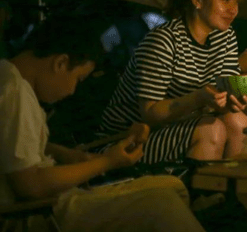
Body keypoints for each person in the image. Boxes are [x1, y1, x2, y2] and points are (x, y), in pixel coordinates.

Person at [0, 16, 206, 232]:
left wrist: (67, 155)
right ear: (60, 63)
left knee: (173, 186)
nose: (72, 91)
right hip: (32, 214)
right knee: (162, 203)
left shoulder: (11, 78)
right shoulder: (14, 92)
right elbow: (31, 185)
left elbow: (14, 147)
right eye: (78, 79)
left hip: (48, 204)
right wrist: (106, 162)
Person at [98, 0, 247, 163]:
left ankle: (234, 190)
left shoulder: (225, 37)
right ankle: (200, 192)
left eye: (236, 1)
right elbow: (150, 113)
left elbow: (220, 94)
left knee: (238, 121)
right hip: (130, 138)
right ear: (197, 0)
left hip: (185, 125)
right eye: (225, 0)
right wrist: (199, 98)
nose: (233, 9)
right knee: (211, 129)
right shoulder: (163, 40)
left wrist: (234, 100)